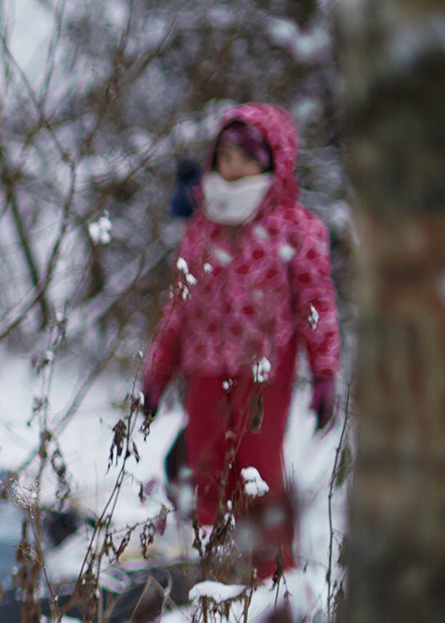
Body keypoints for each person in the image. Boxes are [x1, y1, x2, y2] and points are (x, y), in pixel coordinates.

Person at [141, 104, 340, 577]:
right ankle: (213, 571)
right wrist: (157, 371)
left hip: (264, 371)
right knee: (205, 469)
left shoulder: (295, 226)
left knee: (257, 472)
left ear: (273, 161)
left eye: (246, 157)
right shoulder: (204, 226)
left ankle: (272, 577)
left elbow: (316, 304)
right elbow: (179, 307)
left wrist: (325, 371)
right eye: (225, 155)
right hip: (205, 366)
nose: (233, 165)